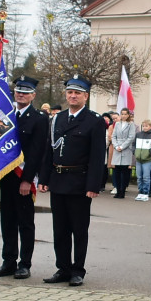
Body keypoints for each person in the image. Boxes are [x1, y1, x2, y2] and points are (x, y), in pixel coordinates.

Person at [38, 76, 106, 286]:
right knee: (60, 229)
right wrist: (44, 178)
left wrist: (93, 185)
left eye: (77, 93)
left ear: (85, 96)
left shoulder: (94, 121)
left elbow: (97, 157)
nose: (73, 96)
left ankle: (78, 270)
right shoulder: (57, 119)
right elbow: (49, 151)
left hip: (79, 182)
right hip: (58, 180)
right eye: (70, 92)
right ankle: (63, 268)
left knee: (79, 229)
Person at [0, 75, 47, 279]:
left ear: (33, 95)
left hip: (23, 177)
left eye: (25, 91)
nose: (21, 94)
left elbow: (37, 152)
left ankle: (25, 263)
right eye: (18, 91)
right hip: (6, 176)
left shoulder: (39, 118)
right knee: (7, 220)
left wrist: (27, 179)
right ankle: (9, 260)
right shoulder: (6, 116)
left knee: (25, 222)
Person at [108, 108, 136, 199]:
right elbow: (114, 136)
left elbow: (131, 137)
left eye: (125, 114)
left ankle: (122, 191)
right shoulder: (117, 124)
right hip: (117, 149)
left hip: (126, 149)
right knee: (116, 171)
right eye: (122, 114)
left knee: (124, 171)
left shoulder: (131, 125)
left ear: (128, 115)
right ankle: (118, 190)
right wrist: (116, 146)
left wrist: (122, 146)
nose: (123, 116)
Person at [133, 119, 151, 201]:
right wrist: (135, 152)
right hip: (138, 159)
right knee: (139, 177)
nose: (144, 127)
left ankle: (145, 193)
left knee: (146, 177)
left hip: (147, 160)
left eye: (146, 126)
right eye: (143, 126)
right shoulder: (138, 134)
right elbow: (134, 144)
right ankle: (140, 192)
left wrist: (149, 153)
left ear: (150, 126)